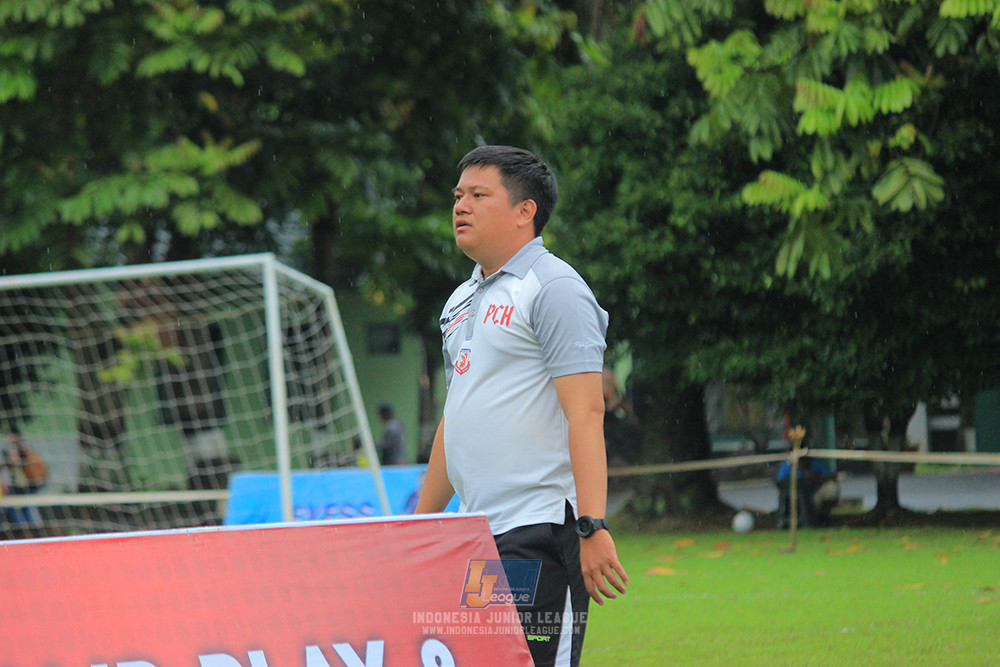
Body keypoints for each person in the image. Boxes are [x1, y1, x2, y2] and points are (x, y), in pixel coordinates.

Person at [414, 145, 629, 667]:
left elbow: (586, 413)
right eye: (458, 195)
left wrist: (592, 525)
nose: (460, 205)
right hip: (480, 537)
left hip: (540, 531)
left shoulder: (554, 288)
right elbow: (457, 417)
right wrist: (416, 529)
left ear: (524, 210)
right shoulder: (459, 301)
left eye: (478, 195)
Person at [775, 455, 840, 528]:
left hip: (815, 496)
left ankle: (823, 517)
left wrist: (815, 478)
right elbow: (780, 482)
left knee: (831, 488)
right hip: (794, 498)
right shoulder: (788, 464)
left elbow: (833, 476)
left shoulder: (815, 462)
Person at [3, 425, 47, 525]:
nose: (9, 437)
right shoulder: (7, 450)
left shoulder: (24, 448)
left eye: (11, 435)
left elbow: (27, 462)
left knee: (28, 506)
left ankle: (34, 526)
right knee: (12, 506)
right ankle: (20, 526)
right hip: (16, 483)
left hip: (27, 483)